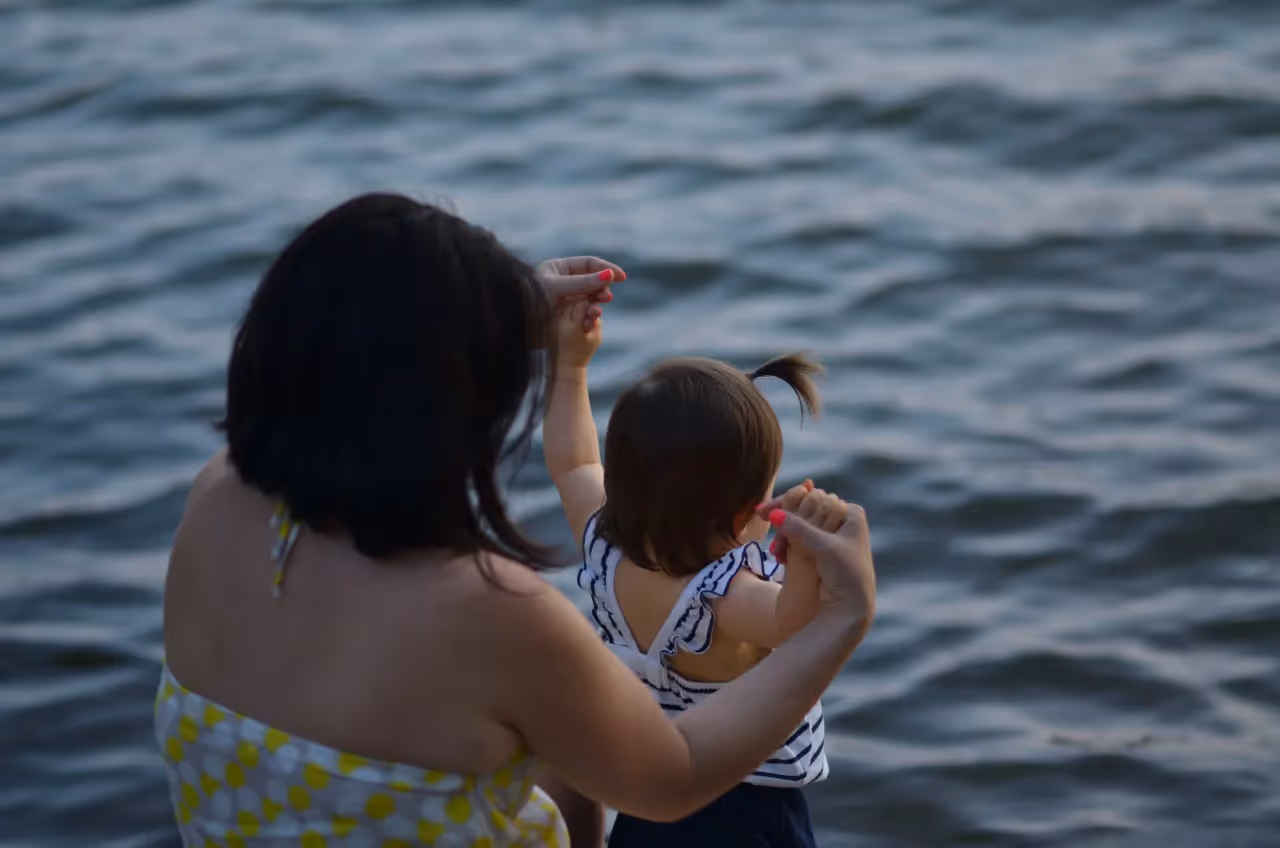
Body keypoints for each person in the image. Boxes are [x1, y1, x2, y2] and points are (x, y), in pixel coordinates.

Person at [155, 193, 877, 848]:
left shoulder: (216, 501)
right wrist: (843, 619)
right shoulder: (491, 616)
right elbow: (675, 777)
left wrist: (491, 319)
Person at [543, 298, 849, 847]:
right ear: (738, 510)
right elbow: (797, 624)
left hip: (652, 794)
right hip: (746, 809)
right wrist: (804, 548)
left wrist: (570, 368)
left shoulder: (604, 548)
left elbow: (574, 463)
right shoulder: (727, 599)